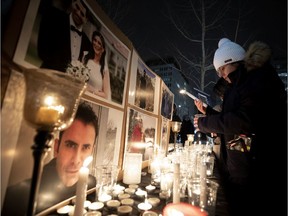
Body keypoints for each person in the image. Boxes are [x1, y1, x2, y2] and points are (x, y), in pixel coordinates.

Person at [194, 38, 287, 216]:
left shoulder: (256, 81)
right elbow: (231, 118)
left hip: (256, 170)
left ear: (232, 62)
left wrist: (205, 123)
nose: (221, 75)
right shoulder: (240, 84)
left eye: (222, 69)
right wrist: (207, 112)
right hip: (241, 166)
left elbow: (244, 120)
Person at [2, 101, 98, 215]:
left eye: (86, 147)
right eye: (70, 145)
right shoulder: (18, 198)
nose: (76, 160)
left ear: (92, 150)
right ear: (56, 147)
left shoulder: (90, 185)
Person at [37, 0, 92, 72]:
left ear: (86, 20)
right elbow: (42, 50)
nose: (78, 13)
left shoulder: (87, 44)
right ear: (73, 2)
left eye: (82, 14)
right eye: (77, 7)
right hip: (47, 75)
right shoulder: (54, 16)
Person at [83, 31, 112, 100]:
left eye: (99, 43)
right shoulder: (85, 57)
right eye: (95, 40)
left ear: (103, 49)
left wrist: (92, 90)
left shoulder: (104, 70)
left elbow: (106, 95)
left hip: (93, 101)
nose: (96, 44)